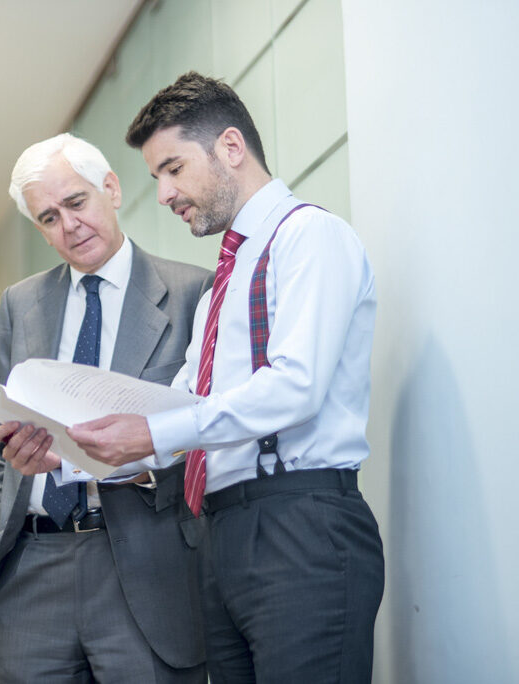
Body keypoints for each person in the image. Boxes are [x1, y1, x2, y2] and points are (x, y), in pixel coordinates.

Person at [66, 72, 386, 683]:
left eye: (172, 168)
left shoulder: (310, 237)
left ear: (231, 148)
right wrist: (73, 451)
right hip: (222, 533)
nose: (162, 193)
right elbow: (178, 405)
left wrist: (155, 434)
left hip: (303, 525)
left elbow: (297, 386)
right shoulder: (222, 285)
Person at [0, 133, 213, 684]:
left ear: (111, 189)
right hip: (31, 572)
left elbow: (212, 437)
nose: (68, 226)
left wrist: (139, 460)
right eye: (48, 218)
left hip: (146, 567)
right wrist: (16, 467)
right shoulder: (20, 304)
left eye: (76, 203)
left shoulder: (194, 294)